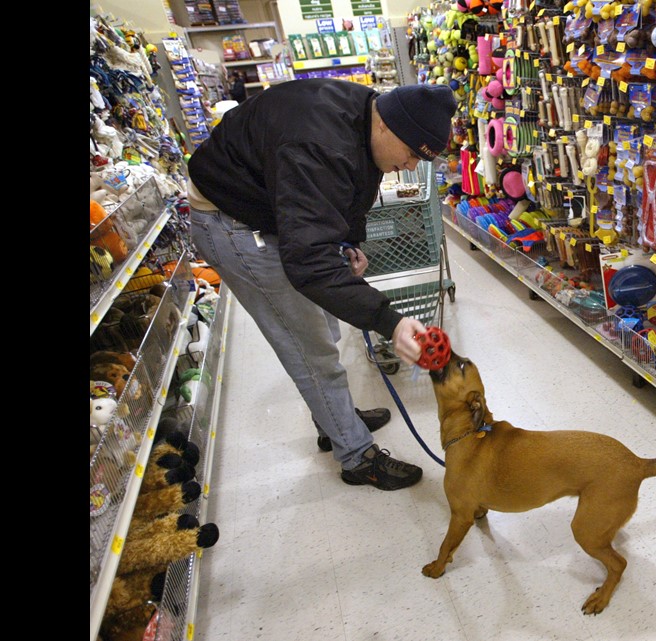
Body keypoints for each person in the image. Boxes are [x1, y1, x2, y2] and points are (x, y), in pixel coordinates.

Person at [185, 79, 458, 491]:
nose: (409, 167)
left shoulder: (366, 116)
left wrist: (347, 241)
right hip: (232, 222)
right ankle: (355, 455)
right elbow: (307, 264)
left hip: (268, 209)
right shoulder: (319, 143)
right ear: (387, 126)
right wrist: (391, 321)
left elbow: (346, 187)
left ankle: (335, 417)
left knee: (326, 328)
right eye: (410, 154)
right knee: (308, 344)